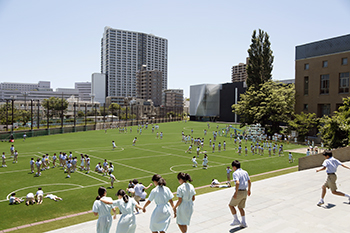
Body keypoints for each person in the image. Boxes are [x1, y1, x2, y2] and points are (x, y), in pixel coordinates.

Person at [229, 160, 251, 228]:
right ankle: (244, 222)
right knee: (241, 207)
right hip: (245, 191)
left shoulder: (235, 173)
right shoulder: (245, 172)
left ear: (234, 167)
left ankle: (236, 220)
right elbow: (249, 182)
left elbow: (237, 182)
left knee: (231, 205)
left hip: (239, 191)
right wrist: (249, 190)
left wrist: (236, 193)